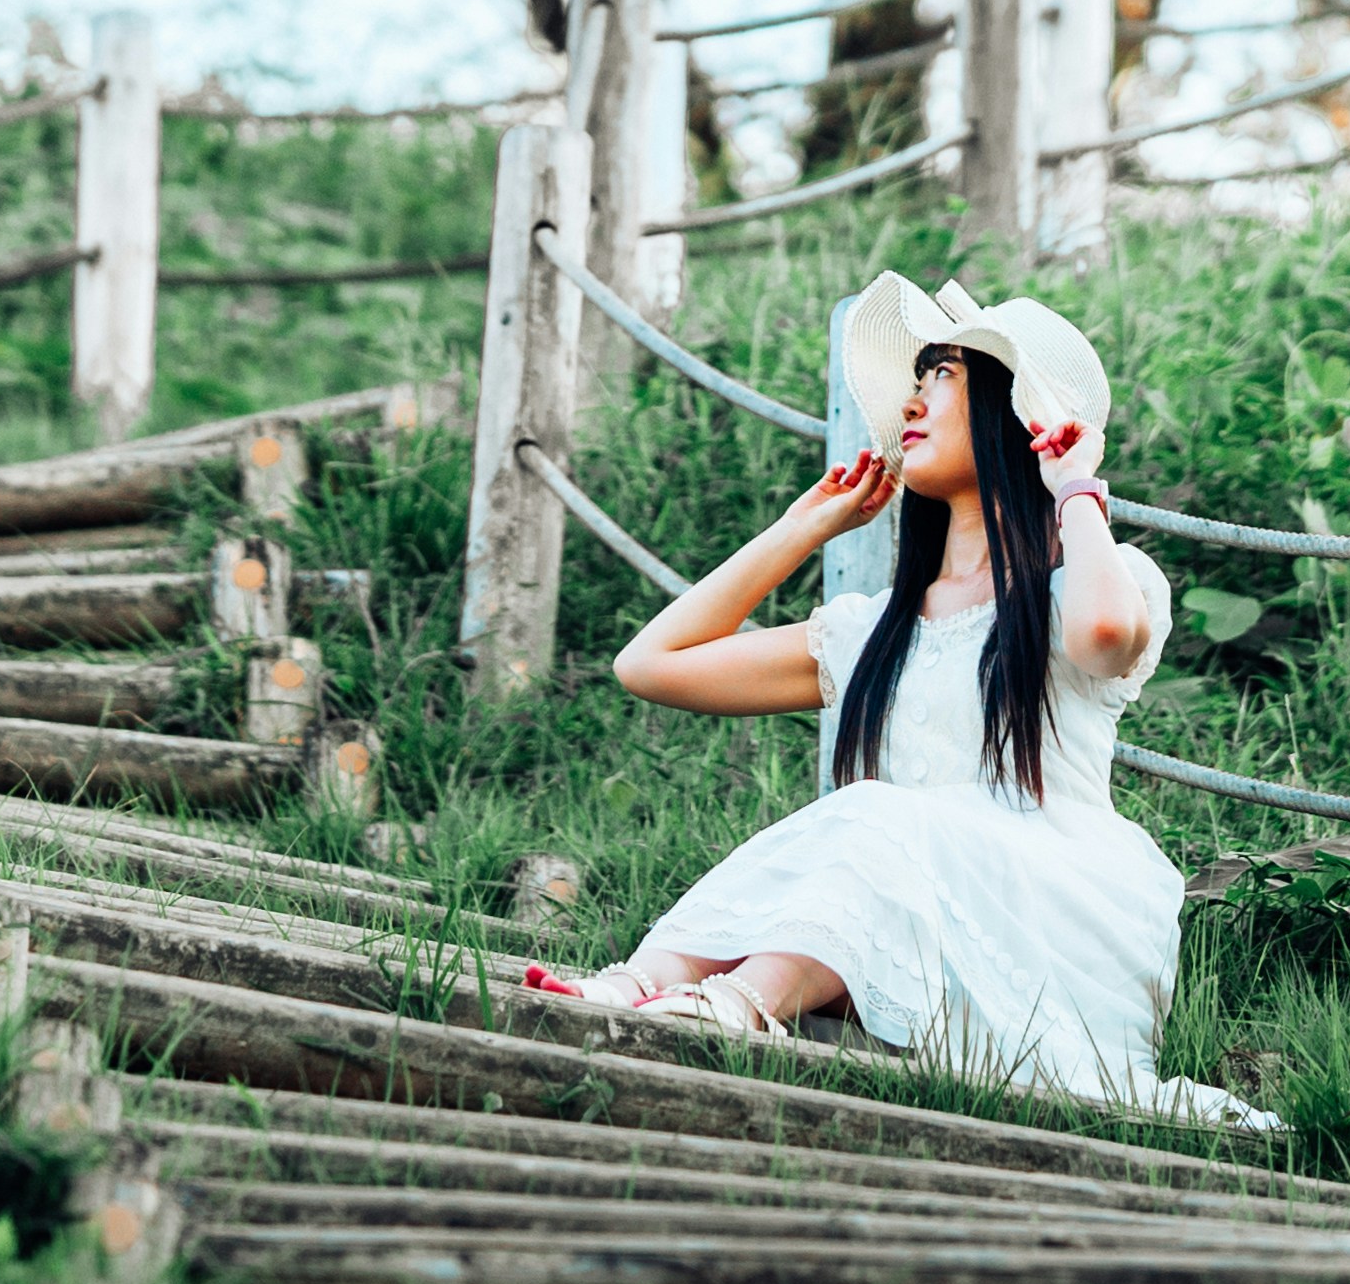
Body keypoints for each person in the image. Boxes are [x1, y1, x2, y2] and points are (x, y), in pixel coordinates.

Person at [533, 272, 1273, 1130]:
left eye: (944, 377)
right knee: (871, 815)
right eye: (916, 381)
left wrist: (1074, 488)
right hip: (903, 937)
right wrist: (801, 527)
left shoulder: (1092, 581)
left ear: (1015, 414)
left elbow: (1108, 636)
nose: (914, 403)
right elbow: (650, 664)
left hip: (1049, 927)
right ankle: (641, 981)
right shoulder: (867, 632)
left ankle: (741, 1002)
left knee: (875, 811)